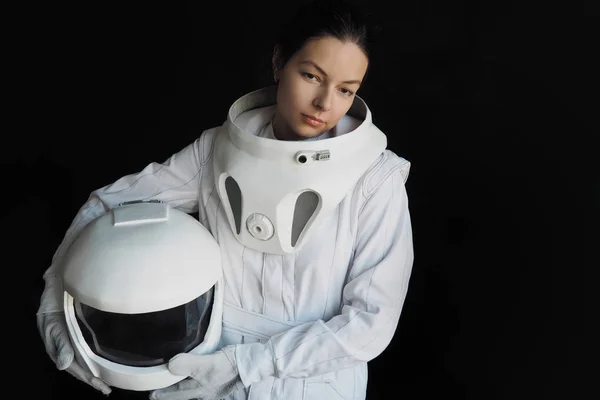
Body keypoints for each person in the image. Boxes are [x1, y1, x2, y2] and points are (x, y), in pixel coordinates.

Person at [37, 0, 415, 399]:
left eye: (345, 90)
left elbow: (371, 323)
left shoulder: (375, 177)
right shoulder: (218, 149)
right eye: (310, 75)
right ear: (278, 62)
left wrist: (248, 364)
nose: (325, 104)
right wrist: (54, 297)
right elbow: (107, 205)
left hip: (317, 385)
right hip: (208, 378)